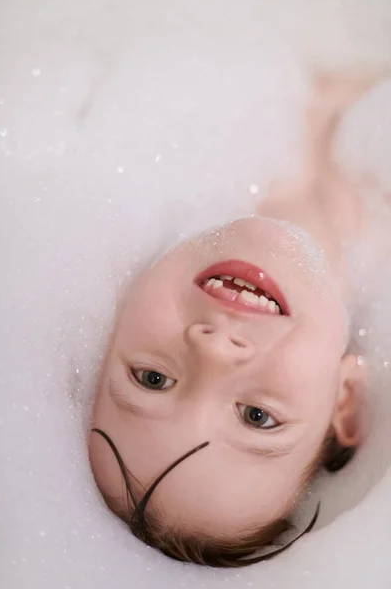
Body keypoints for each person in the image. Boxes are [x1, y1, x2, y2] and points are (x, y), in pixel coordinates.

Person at [88, 73, 384, 567]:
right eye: (256, 417)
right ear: (346, 401)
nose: (214, 350)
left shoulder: (151, 130)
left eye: (153, 379)